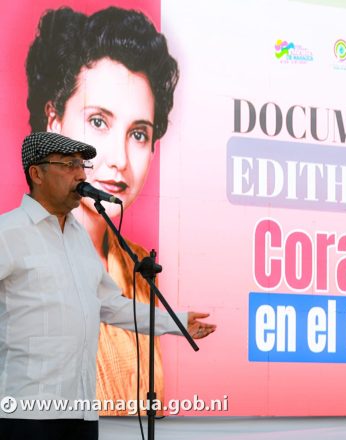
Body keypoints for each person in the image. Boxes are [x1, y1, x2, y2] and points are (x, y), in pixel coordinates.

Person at [25, 6, 191, 414]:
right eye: (98, 122)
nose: (119, 158)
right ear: (54, 122)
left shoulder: (139, 272)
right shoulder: (18, 254)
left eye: (139, 134)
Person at [0, 131, 215, 439]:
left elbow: (111, 304)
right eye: (69, 165)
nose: (80, 174)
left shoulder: (78, 238)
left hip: (82, 409)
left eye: (82, 165)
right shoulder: (8, 232)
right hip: (25, 410)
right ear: (37, 174)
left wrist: (176, 322)